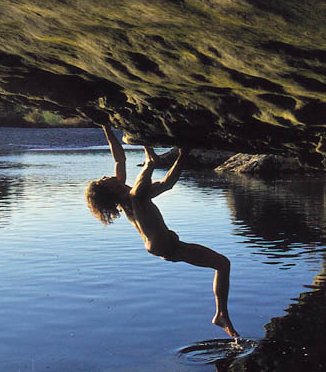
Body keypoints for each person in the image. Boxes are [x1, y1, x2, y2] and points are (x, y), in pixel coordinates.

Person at [85, 123, 239, 338]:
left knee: (221, 264)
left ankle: (221, 315)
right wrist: (154, 153)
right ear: (109, 189)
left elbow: (122, 159)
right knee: (222, 263)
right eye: (103, 180)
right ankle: (221, 314)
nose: (105, 176)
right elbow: (161, 177)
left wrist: (106, 128)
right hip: (163, 244)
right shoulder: (134, 196)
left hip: (161, 245)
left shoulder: (130, 196)